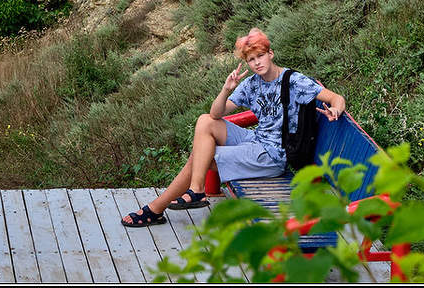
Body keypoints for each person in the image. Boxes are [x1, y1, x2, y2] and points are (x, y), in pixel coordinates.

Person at [121, 28, 346, 227]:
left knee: (200, 157)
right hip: (255, 141)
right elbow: (215, 114)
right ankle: (195, 190)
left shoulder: (293, 81)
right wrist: (226, 89)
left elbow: (336, 97)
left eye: (260, 56)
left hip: (273, 155)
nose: (257, 63)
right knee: (204, 121)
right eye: (251, 59)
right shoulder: (252, 83)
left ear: (271, 54)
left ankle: (157, 208)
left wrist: (335, 109)